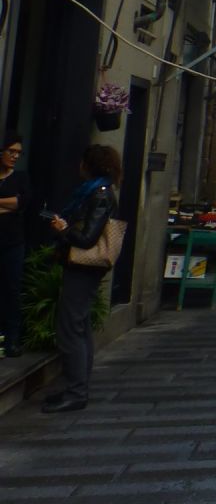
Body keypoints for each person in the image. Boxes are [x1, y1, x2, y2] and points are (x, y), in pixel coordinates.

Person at [42, 144, 121, 413]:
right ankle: (76, 387)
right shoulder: (98, 192)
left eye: (82, 162)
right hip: (83, 268)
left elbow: (87, 238)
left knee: (70, 328)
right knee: (80, 325)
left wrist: (63, 229)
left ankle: (77, 392)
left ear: (89, 165)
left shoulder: (99, 195)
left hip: (84, 267)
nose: (79, 167)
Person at [0, 132, 29, 358]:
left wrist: (12, 204)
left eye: (18, 152)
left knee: (11, 289)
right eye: (11, 151)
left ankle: (10, 340)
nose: (15, 156)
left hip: (12, 242)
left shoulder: (20, 178)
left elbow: (22, 202)